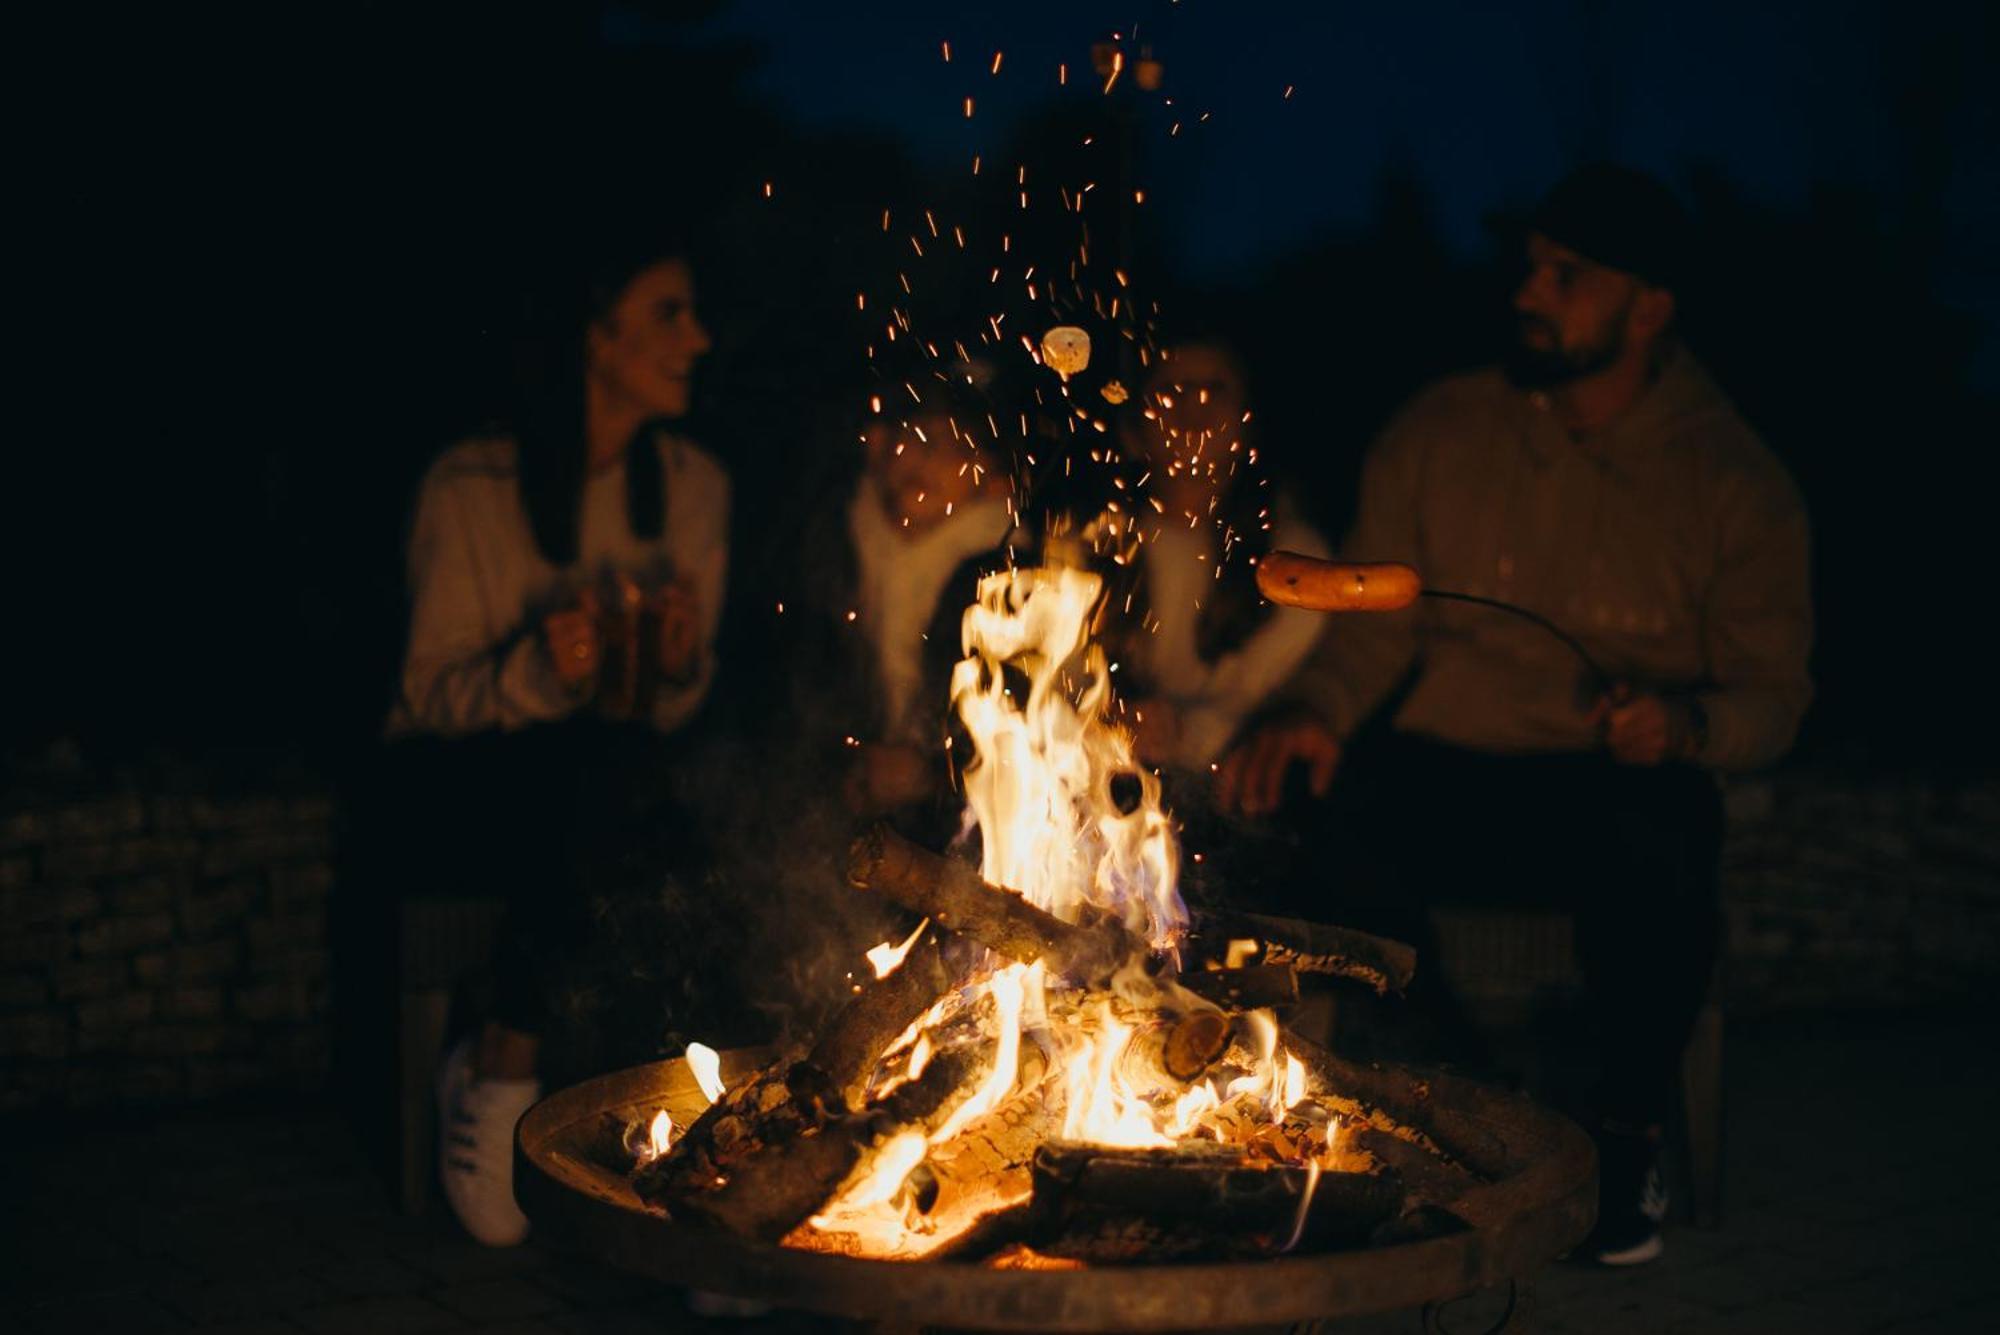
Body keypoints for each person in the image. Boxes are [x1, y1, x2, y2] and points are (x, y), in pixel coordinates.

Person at [1217, 165, 1812, 1265]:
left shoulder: (1731, 478)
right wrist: (1314, 712)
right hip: (1452, 764)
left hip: (1609, 776)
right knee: (1323, 812)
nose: (1529, 291)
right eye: (1529, 266)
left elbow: (1771, 695)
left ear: (1647, 308)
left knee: (1670, 832)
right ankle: (1471, 1110)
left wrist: (1682, 726)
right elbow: (1368, 628)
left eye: (1565, 274)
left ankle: (1622, 1144)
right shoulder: (1440, 430)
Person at [385, 232, 726, 1246]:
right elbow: (424, 695)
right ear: (594, 330)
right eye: (668, 312)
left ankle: (713, 1155)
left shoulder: (694, 485)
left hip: (608, 787)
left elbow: (675, 710)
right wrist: (541, 668)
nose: (697, 339)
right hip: (465, 780)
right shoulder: (472, 483)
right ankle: (498, 1066)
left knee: (661, 787)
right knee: (595, 770)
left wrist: (669, 665)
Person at [1116, 340, 1331, 774]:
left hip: (1225, 788)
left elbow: (1261, 699)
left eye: (1214, 390)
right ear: (1133, 428)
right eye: (1171, 391)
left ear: (1247, 422)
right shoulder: (1091, 541)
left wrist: (1184, 731)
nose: (1194, 408)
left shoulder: (1293, 563)